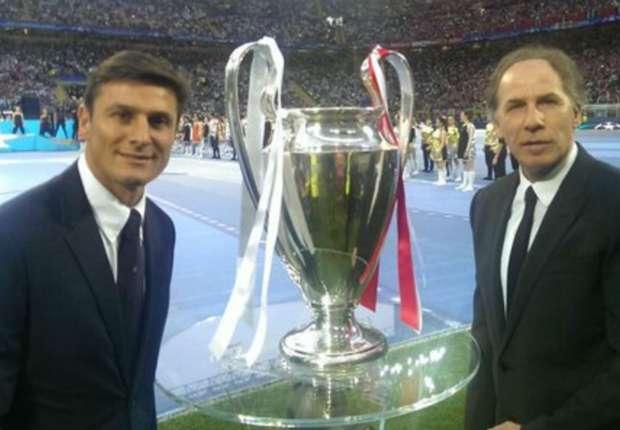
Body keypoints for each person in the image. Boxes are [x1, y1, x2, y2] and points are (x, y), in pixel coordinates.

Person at [0, 50, 190, 430]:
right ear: (84, 121)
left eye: (158, 121)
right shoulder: (14, 234)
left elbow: (133, 382)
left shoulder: (161, 230)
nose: (141, 137)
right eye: (122, 115)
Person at [466, 45, 620, 430]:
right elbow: (486, 336)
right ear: (497, 123)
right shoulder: (487, 204)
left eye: (548, 102)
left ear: (577, 112)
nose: (532, 120)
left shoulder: (613, 202)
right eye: (515, 106)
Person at [456, 110, 476, 192]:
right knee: (465, 166)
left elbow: (470, 138)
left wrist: (467, 149)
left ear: (466, 116)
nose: (460, 116)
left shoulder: (470, 126)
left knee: (470, 165)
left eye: (462, 115)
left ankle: (470, 185)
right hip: (462, 146)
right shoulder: (463, 125)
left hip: (469, 148)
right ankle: (465, 183)